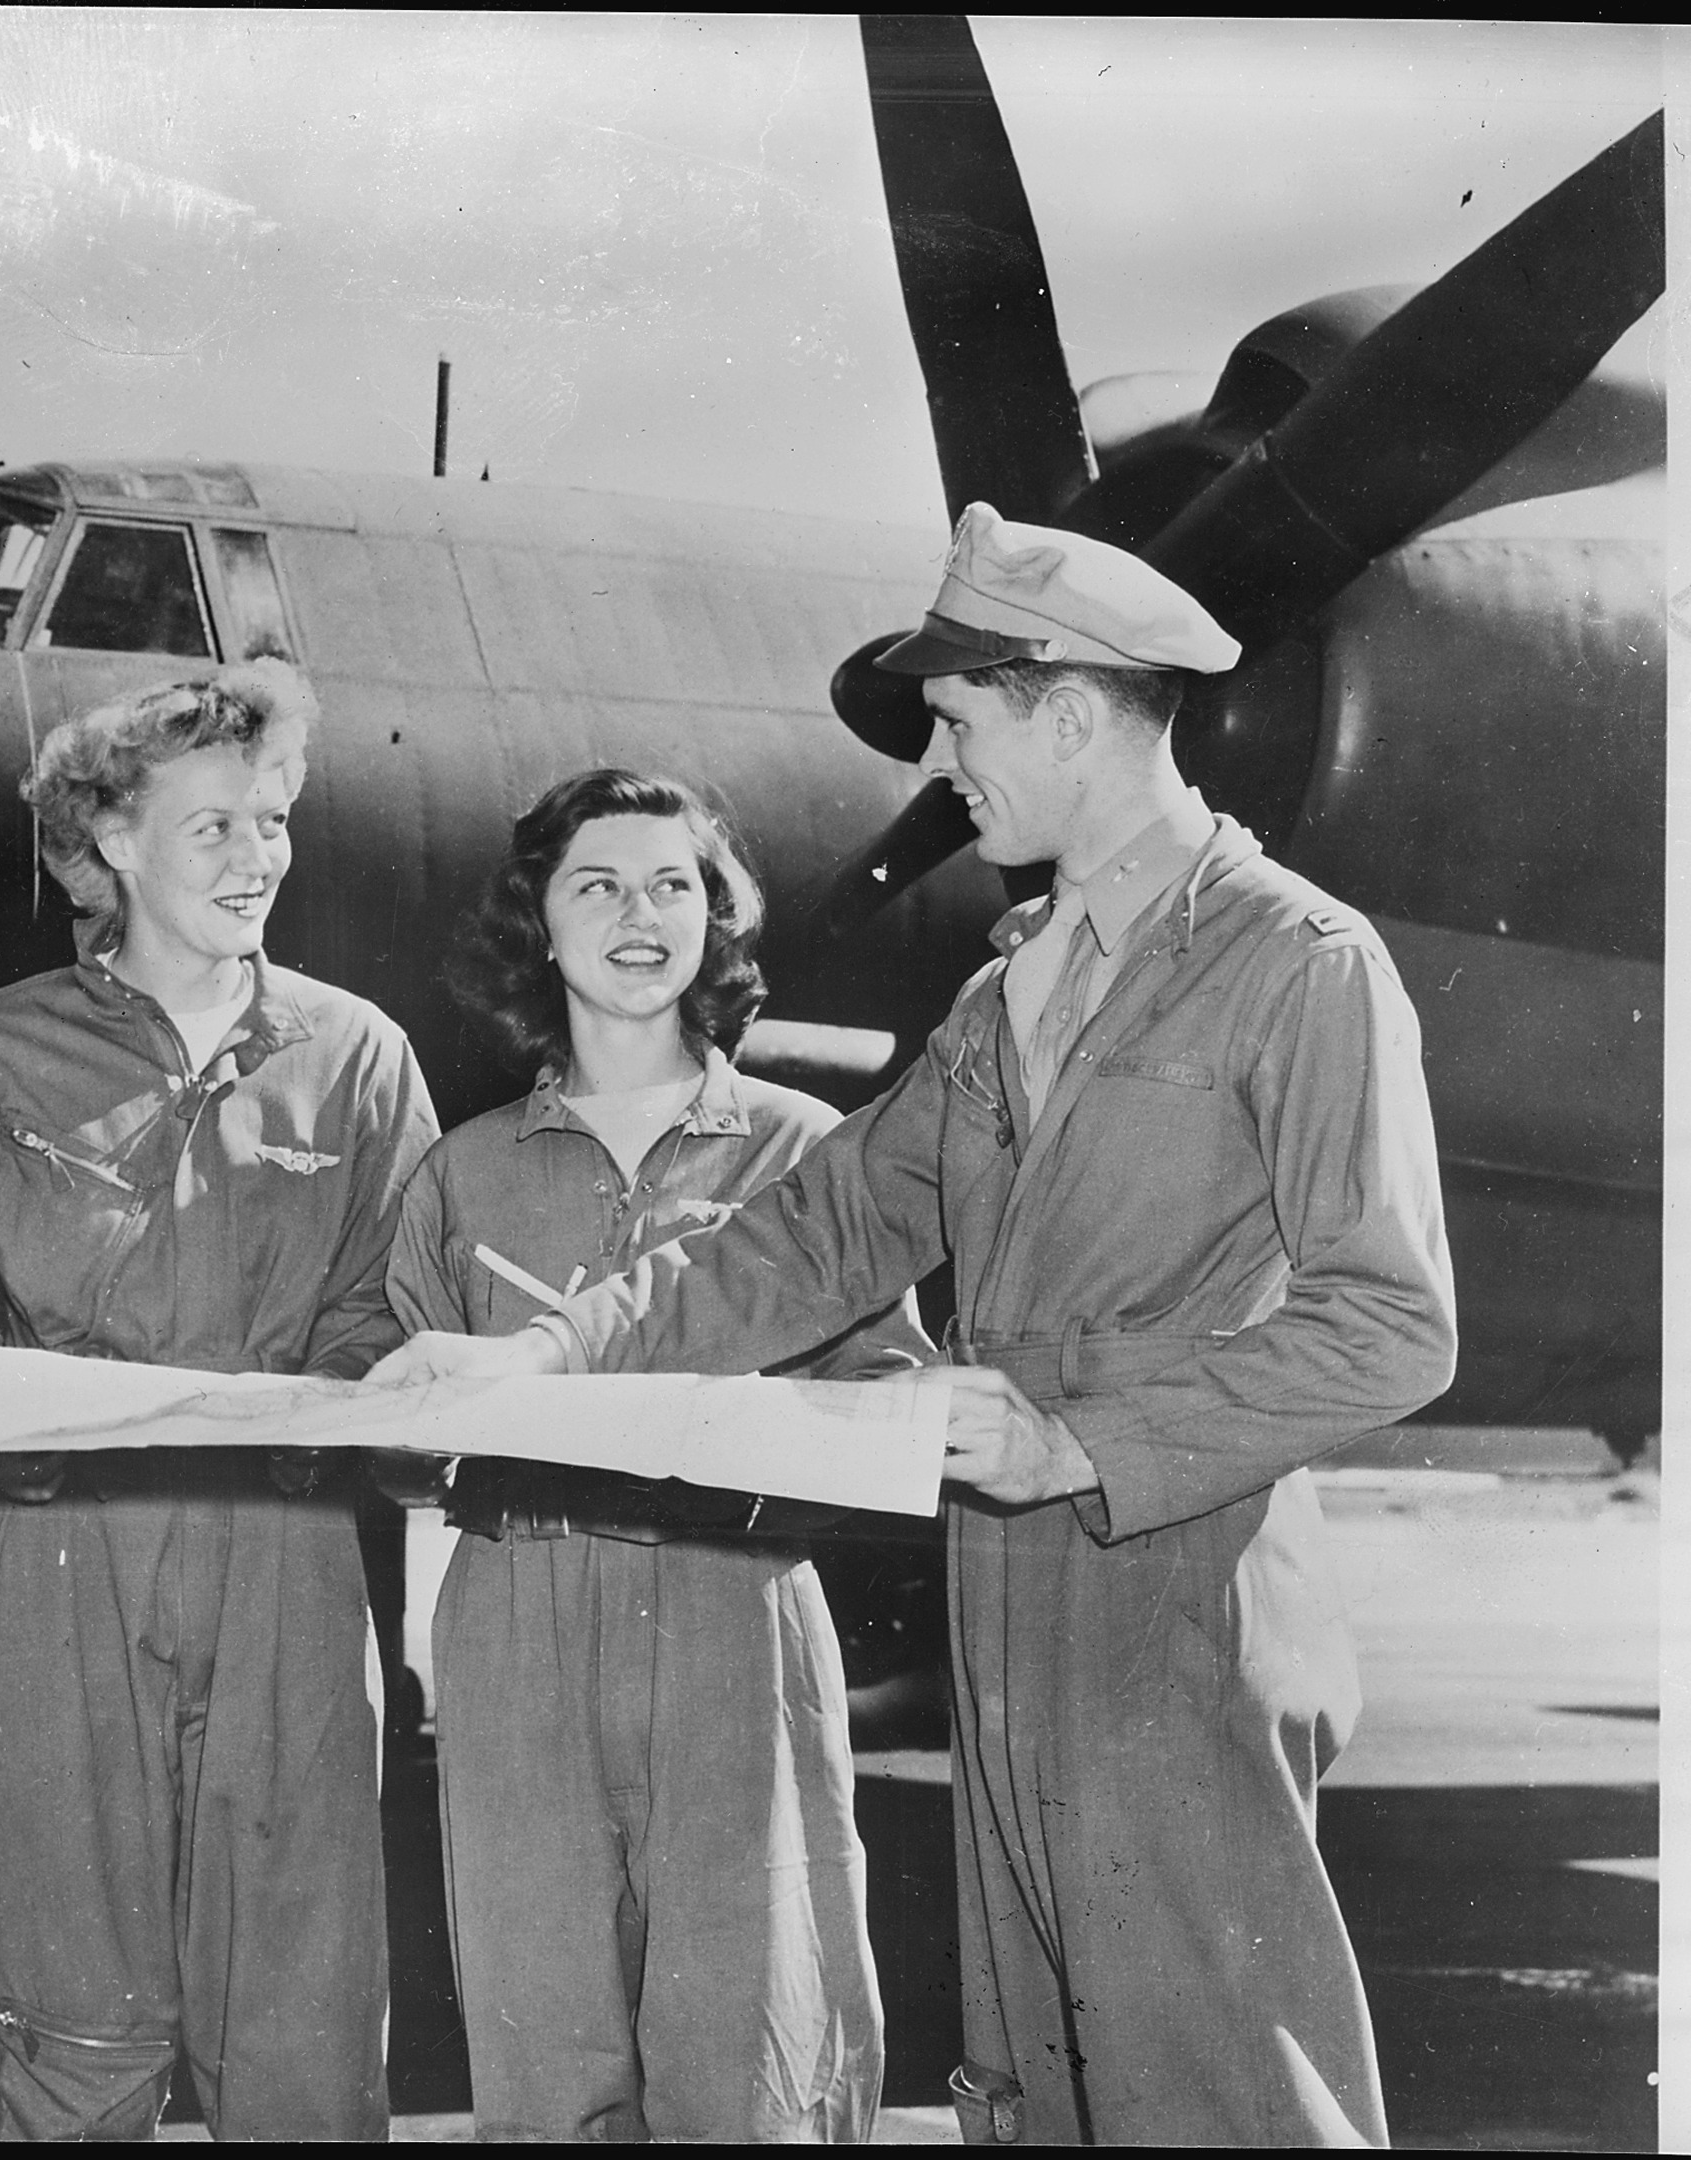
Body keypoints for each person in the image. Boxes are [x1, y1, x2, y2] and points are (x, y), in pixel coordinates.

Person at [372, 505, 1456, 2148]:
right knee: (1041, 2102)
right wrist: (538, 1360)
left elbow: (1391, 1321)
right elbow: (813, 1235)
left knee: (1225, 2091)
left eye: (960, 723)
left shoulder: (1298, 966)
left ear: (1069, 713)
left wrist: (1079, 1442)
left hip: (1179, 1598)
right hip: (1008, 1609)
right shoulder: (1008, 987)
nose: (942, 769)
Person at [0, 659, 439, 2140]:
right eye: (216, 827)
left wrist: (307, 1422)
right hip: (51, 1560)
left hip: (284, 1559)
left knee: (305, 2028)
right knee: (73, 2020)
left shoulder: (358, 1058)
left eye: (274, 822)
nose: (259, 855)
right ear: (111, 840)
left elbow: (393, 1308)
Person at [382, 769, 925, 2142]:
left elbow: (892, 1402)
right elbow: (395, 1439)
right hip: (520, 1615)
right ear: (539, 928)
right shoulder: (460, 1173)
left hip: (734, 1612)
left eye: (672, 884)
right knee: (542, 2050)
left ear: (716, 922)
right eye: (597, 885)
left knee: (754, 2058)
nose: (638, 915)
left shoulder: (811, 1154)